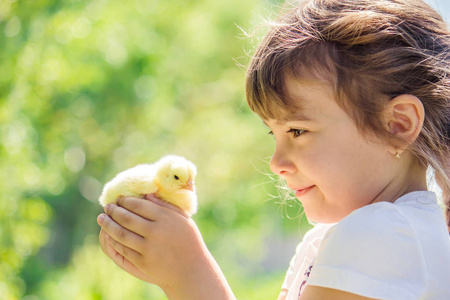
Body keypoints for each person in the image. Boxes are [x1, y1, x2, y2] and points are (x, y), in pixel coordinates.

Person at [97, 0, 450, 299]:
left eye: (298, 130)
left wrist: (188, 275)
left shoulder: (384, 234)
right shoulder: (343, 235)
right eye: (274, 134)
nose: (276, 163)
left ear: (398, 125)